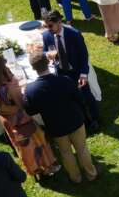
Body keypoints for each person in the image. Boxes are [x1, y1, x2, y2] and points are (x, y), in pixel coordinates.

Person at [0, 54, 59, 179]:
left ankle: (34, 170)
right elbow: (22, 103)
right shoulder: (8, 88)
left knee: (21, 147)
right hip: (21, 119)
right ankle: (46, 167)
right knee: (36, 142)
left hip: (6, 120)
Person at [23, 52, 97, 182]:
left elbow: (31, 110)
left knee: (66, 153)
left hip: (55, 126)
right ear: (48, 62)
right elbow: (80, 99)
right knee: (82, 149)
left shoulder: (30, 90)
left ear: (33, 68)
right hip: (75, 121)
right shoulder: (65, 80)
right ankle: (91, 174)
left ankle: (76, 178)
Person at [41, 9, 99, 129]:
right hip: (61, 71)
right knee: (71, 97)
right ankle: (82, 119)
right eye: (46, 26)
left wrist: (83, 74)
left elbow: (84, 55)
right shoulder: (47, 35)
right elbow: (46, 50)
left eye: (50, 26)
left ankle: (95, 118)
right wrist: (47, 54)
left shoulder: (74, 34)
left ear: (59, 22)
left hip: (77, 71)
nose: (48, 29)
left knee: (86, 95)